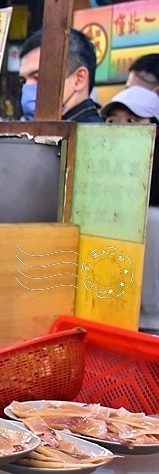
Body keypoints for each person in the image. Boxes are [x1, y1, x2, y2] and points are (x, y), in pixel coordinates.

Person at [100, 85, 159, 332]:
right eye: (113, 121)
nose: (121, 129)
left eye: (133, 120)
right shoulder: (99, 178)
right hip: (111, 315)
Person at [19, 28, 103, 122]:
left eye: (38, 77)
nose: (27, 87)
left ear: (79, 79)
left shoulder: (96, 134)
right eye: (23, 81)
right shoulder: (46, 132)